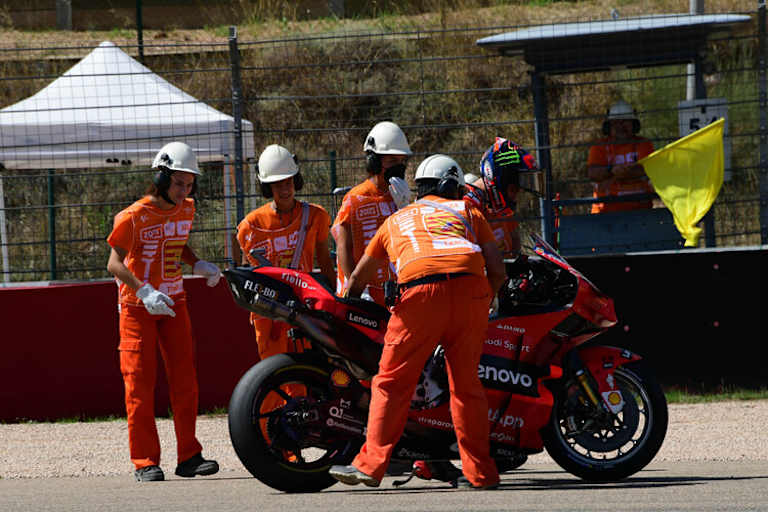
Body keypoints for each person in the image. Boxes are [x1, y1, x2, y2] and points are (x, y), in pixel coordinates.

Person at [329, 154, 506, 490]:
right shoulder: (468, 211)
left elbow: (357, 281)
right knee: (467, 388)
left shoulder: (397, 220)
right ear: (452, 186)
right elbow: (497, 269)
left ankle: (371, 465)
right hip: (471, 290)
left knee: (392, 383)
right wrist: (484, 301)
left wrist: (347, 306)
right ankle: (481, 474)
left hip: (420, 294)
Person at [106, 141, 222, 482]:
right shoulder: (133, 216)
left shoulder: (187, 209)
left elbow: (178, 242)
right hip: (137, 306)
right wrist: (142, 289)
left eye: (189, 184)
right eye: (178, 184)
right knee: (139, 385)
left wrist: (197, 263)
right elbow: (114, 262)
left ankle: (189, 456)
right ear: (160, 178)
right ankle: (145, 461)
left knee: (185, 381)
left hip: (174, 303)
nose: (185, 191)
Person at [233, 144, 335, 445]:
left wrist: (344, 294)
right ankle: (268, 445)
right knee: (271, 380)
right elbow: (247, 274)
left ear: (297, 180)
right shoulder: (250, 225)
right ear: (267, 186)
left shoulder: (315, 216)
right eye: (277, 184)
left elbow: (325, 263)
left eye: (289, 181)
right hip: (269, 316)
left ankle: (296, 443)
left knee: (302, 380)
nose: (285, 188)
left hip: (304, 311)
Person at [332, 120, 412, 305]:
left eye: (401, 161)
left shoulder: (401, 194)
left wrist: (407, 208)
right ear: (374, 161)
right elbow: (343, 246)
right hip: (363, 293)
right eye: (392, 161)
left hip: (394, 292)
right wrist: (354, 287)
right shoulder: (356, 198)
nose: (398, 166)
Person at [464, 137, 540, 259]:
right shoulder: (466, 207)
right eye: (514, 189)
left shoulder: (499, 206)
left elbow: (515, 241)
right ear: (501, 181)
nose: (516, 195)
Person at [587, 99, 655, 214]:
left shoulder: (644, 144)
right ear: (608, 126)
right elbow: (592, 173)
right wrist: (612, 170)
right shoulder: (599, 146)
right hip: (605, 213)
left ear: (634, 125)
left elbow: (648, 169)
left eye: (625, 122)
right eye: (616, 122)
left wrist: (614, 175)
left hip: (641, 211)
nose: (621, 126)